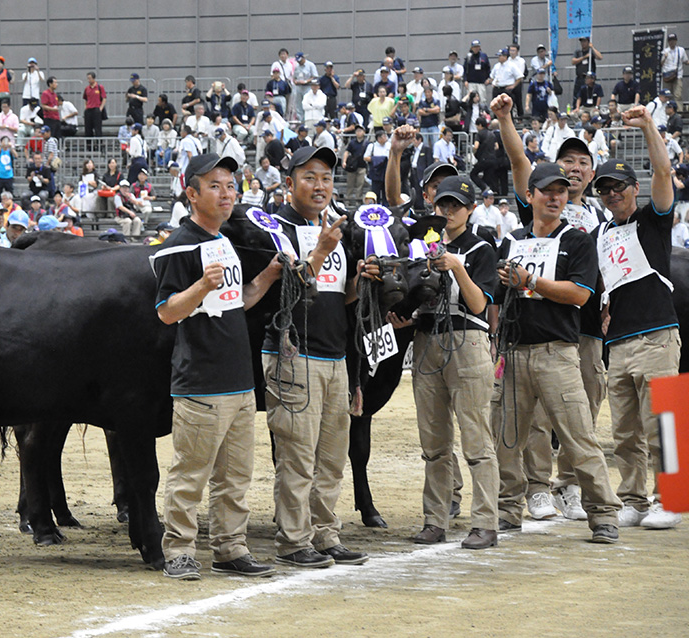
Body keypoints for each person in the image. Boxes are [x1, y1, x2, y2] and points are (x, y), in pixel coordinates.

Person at [491, 96, 622, 543]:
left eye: (561, 192)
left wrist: (531, 281)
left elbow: (581, 294)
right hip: (515, 351)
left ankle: (603, 512)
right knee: (508, 438)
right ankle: (509, 509)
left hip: (558, 350)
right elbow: (496, 298)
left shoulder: (579, 239)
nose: (555, 197)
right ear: (529, 196)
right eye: (547, 191)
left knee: (579, 434)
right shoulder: (511, 239)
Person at [152, 153, 281, 580]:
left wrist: (268, 276)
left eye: (230, 185)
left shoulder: (224, 241)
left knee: (235, 476)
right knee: (190, 474)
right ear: (191, 193)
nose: (226, 194)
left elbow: (236, 302)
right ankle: (179, 551)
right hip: (201, 382)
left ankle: (231, 548)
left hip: (239, 381)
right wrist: (202, 284)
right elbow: (167, 312)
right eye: (214, 186)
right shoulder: (178, 245)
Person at [261, 146, 370, 568]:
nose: (320, 185)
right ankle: (293, 540)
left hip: (334, 355)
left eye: (325, 177)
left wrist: (361, 282)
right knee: (296, 455)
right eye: (309, 176)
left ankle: (326, 535)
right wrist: (321, 251)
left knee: (331, 457)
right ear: (289, 183)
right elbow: (285, 292)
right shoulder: (274, 227)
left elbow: (343, 299)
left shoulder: (339, 228)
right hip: (293, 354)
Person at [387, 176, 500, 549]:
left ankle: (485, 522)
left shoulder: (481, 247)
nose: (449, 212)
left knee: (476, 438)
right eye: (444, 205)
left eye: (456, 206)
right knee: (434, 441)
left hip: (468, 337)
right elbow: (408, 301)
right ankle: (435, 519)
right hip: (426, 338)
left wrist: (456, 267)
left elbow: (480, 304)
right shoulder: (420, 246)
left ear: (470, 209)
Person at [591, 105, 683, 529]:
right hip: (619, 343)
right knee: (625, 432)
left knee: (664, 421)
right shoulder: (602, 234)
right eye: (604, 190)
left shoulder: (655, 219)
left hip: (658, 336)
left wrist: (648, 127)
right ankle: (634, 498)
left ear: (633, 188)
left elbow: (663, 174)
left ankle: (673, 497)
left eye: (618, 187)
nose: (612, 194)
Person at [571, 37, 602, 102]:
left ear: (588, 42)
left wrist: (592, 47)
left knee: (588, 95)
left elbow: (600, 57)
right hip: (580, 78)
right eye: (582, 42)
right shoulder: (578, 52)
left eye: (584, 41)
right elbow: (573, 61)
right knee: (577, 96)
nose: (583, 43)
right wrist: (584, 57)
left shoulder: (591, 51)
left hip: (589, 78)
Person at [661, 33, 687, 109]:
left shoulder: (681, 50)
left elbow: (686, 61)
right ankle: (666, 111)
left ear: (676, 41)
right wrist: (664, 57)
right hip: (667, 76)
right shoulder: (665, 51)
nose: (672, 42)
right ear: (668, 42)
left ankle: (679, 112)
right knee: (666, 95)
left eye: (673, 40)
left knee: (677, 95)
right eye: (670, 41)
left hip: (677, 75)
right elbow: (661, 64)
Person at [83, 72, 107, 139]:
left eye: (90, 78)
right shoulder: (87, 88)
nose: (88, 80)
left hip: (96, 109)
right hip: (89, 110)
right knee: (88, 129)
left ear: (94, 78)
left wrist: (100, 108)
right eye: (88, 78)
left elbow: (104, 98)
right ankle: (89, 147)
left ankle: (99, 145)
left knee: (98, 129)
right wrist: (86, 107)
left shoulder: (100, 87)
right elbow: (85, 99)